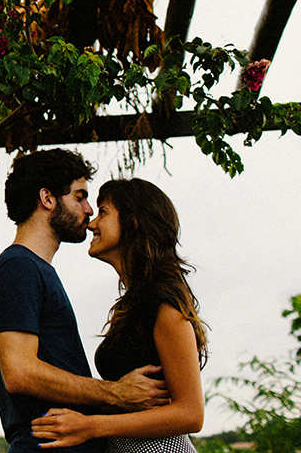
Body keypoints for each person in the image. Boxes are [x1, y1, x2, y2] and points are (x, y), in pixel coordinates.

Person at [0, 150, 170, 453]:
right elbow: (19, 372)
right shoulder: (18, 266)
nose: (87, 211)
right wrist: (118, 392)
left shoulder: (36, 270)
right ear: (48, 198)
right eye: (80, 197)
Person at [31, 178, 208, 451]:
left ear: (132, 222)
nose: (91, 223)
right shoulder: (135, 305)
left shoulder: (164, 305)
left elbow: (191, 414)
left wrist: (91, 427)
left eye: (103, 212)